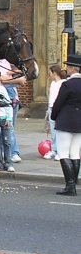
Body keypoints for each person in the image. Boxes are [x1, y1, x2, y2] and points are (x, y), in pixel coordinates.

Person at [50, 54, 81, 196]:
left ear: (73, 68)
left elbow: (58, 103)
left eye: (68, 66)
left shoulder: (67, 84)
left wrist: (53, 116)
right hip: (79, 122)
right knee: (75, 153)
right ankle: (73, 184)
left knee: (63, 153)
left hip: (66, 120)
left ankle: (70, 186)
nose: (66, 69)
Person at [0, 59, 27, 163]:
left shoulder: (7, 63)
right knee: (4, 128)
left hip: (12, 98)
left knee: (10, 127)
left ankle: (12, 152)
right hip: (1, 99)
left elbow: (13, 75)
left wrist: (13, 74)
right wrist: (15, 80)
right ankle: (11, 152)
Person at [44, 65, 67, 160]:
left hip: (59, 108)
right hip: (51, 107)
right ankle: (54, 149)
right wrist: (48, 110)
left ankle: (61, 151)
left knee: (60, 131)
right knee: (53, 130)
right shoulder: (53, 83)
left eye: (50, 73)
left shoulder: (64, 83)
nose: (49, 75)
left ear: (54, 73)